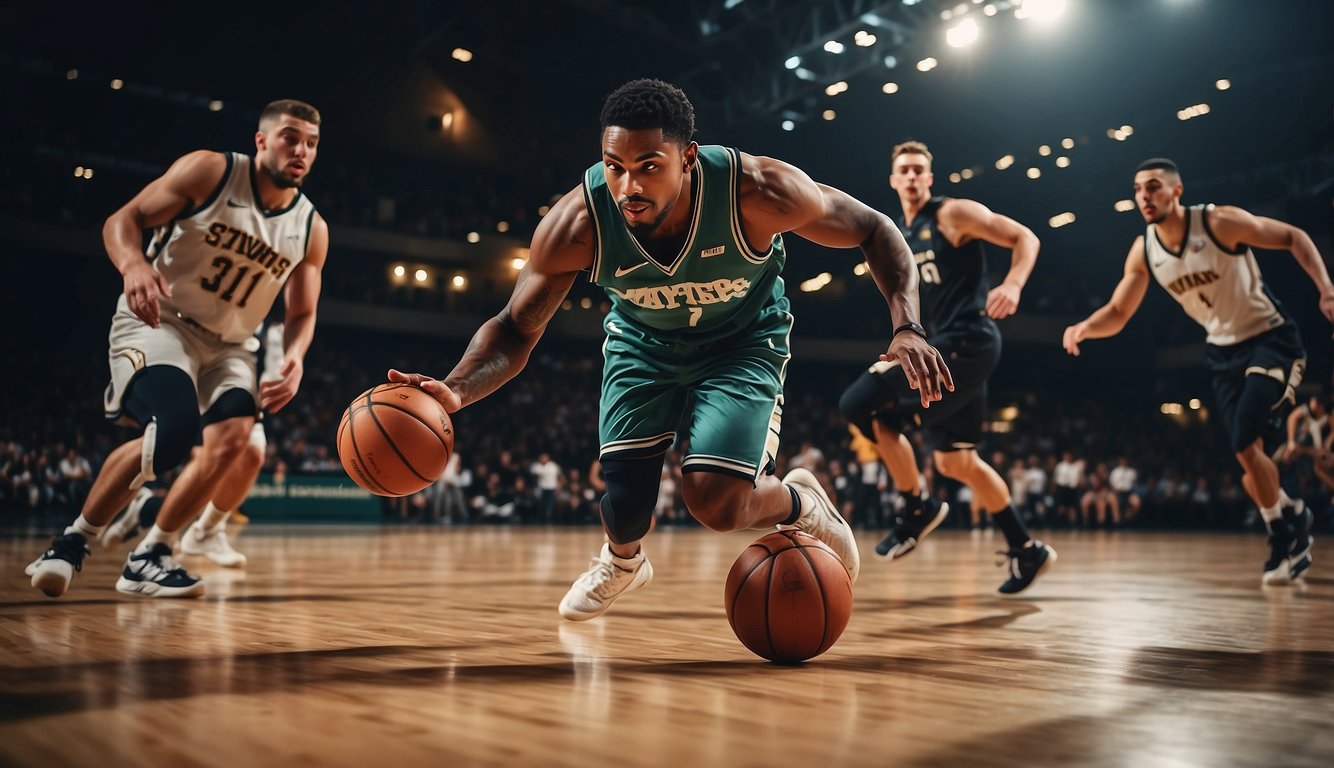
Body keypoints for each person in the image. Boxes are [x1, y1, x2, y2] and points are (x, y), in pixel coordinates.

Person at [388, 79, 951, 620]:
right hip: (643, 346)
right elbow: (515, 327)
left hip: (742, 343)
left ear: (687, 157)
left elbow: (876, 230)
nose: (629, 186)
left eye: (648, 166)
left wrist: (908, 327)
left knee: (716, 503)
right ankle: (623, 561)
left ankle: (801, 504)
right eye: (615, 168)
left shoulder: (757, 189)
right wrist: (456, 389)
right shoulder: (579, 223)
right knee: (625, 507)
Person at [26, 100, 329, 597]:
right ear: (261, 141)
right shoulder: (213, 170)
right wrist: (132, 266)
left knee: (238, 439)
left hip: (230, 346)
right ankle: (72, 541)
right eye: (291, 137)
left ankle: (152, 552)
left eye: (312, 143)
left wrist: (294, 357)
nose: (302, 151)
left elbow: (301, 313)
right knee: (174, 429)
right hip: (161, 322)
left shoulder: (311, 228)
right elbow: (122, 219)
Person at [1063, 157, 1334, 584]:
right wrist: (1085, 327)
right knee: (1249, 461)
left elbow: (1293, 236)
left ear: (1176, 190)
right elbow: (1119, 311)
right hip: (1221, 351)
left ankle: (1283, 533)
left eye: (1153, 186)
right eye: (1137, 189)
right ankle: (1292, 513)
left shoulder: (1218, 222)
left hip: (1271, 339)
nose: (1144, 196)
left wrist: (1327, 290)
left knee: (1246, 440)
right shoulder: (1145, 249)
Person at [838, 140, 1056, 594]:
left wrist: (1013, 284)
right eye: (905, 170)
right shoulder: (896, 232)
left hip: (968, 341)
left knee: (861, 402)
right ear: (894, 180)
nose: (913, 176)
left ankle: (916, 506)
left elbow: (1025, 237)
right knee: (958, 462)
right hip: (939, 348)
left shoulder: (952, 214)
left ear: (930, 178)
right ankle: (1027, 547)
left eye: (920, 169)